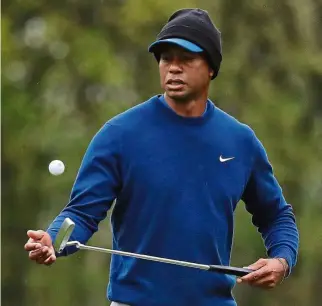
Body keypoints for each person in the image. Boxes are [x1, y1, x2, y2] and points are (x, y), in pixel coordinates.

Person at [24, 8, 299, 306]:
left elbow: (276, 216)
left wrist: (282, 260)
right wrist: (53, 239)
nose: (173, 68)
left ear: (210, 68)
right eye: (167, 58)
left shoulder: (240, 141)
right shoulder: (119, 134)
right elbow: (81, 213)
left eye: (186, 59)